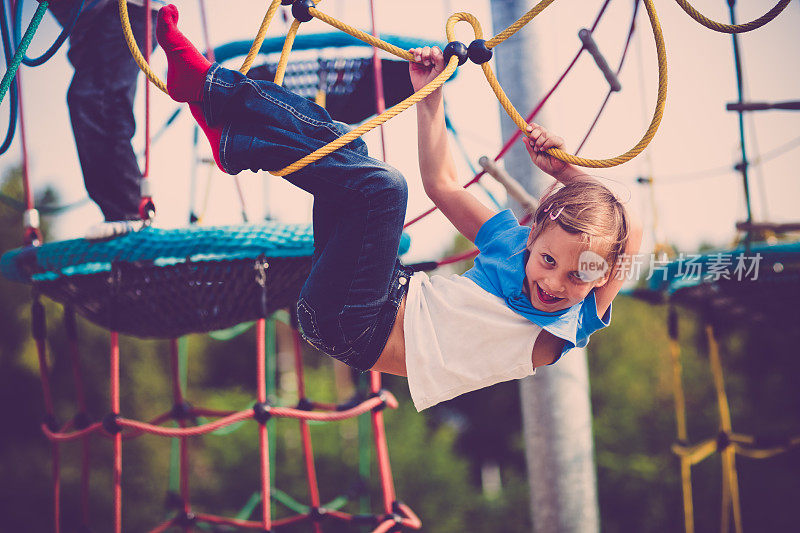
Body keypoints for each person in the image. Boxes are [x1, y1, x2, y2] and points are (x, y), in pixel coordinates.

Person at [155, 4, 642, 411]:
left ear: (602, 278)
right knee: (346, 150)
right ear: (531, 236)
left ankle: (215, 99)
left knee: (383, 190)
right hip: (377, 292)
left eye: (580, 276)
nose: (554, 283)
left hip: (357, 325)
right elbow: (443, 185)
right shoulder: (512, 245)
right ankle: (226, 126)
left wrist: (566, 174)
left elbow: (630, 226)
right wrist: (428, 95)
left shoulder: (575, 320)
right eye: (549, 261)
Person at [47, 0, 162, 239]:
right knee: (94, 101)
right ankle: (124, 214)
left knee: (97, 101)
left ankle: (129, 213)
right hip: (89, 24)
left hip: (123, 10)